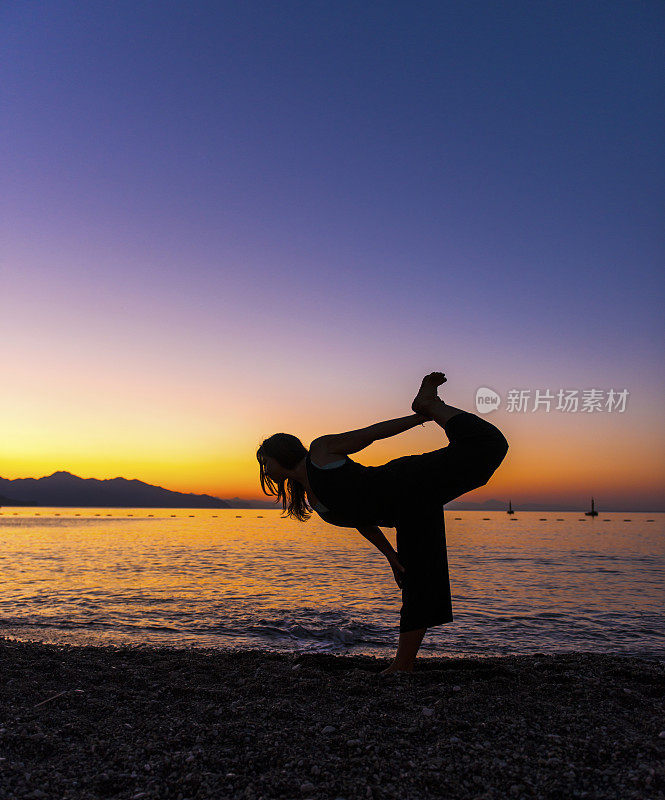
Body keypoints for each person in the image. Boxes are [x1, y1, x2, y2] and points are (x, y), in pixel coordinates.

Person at [256, 372, 509, 674]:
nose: (265, 469)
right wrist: (391, 556)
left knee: (488, 446)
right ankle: (403, 665)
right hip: (410, 512)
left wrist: (420, 418)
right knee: (420, 581)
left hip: (406, 482)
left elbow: (372, 433)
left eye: (265, 461)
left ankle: (431, 404)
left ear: (281, 453)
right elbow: (361, 520)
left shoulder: (320, 453)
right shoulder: (313, 499)